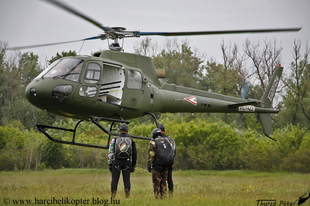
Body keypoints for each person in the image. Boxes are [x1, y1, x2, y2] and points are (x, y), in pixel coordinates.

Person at [108, 123, 137, 199]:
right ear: (127, 130)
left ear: (120, 130)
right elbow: (134, 154)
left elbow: (110, 152)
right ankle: (127, 197)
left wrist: (110, 164)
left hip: (116, 162)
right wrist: (133, 165)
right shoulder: (131, 140)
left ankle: (112, 197)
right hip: (127, 163)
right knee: (127, 181)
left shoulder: (115, 139)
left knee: (114, 180)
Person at [148, 128, 174, 199]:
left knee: (157, 183)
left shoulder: (153, 142)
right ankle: (164, 198)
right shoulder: (167, 141)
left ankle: (157, 198)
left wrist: (149, 164)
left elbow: (151, 154)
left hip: (157, 166)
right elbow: (171, 152)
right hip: (166, 165)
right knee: (164, 182)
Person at [158, 123, 176, 195]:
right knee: (169, 179)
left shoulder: (158, 140)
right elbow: (174, 150)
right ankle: (171, 193)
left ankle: (160, 194)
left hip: (161, 163)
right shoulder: (170, 139)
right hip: (170, 162)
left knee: (160, 179)